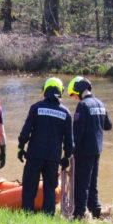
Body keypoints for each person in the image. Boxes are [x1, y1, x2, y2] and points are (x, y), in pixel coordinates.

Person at [17, 77, 74, 215]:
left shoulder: (36, 108)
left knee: (30, 186)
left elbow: (26, 131)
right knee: (49, 188)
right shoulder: (65, 113)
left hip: (34, 155)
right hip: (53, 157)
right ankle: (48, 216)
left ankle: (27, 214)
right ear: (60, 91)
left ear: (45, 90)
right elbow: (69, 139)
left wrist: (21, 147)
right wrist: (66, 156)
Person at [68, 76, 112, 219]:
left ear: (79, 90)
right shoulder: (100, 104)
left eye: (74, 95)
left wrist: (70, 151)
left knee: (81, 183)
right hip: (97, 150)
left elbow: (77, 132)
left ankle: (79, 214)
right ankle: (95, 209)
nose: (75, 98)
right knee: (92, 182)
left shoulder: (83, 105)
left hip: (84, 151)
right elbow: (108, 125)